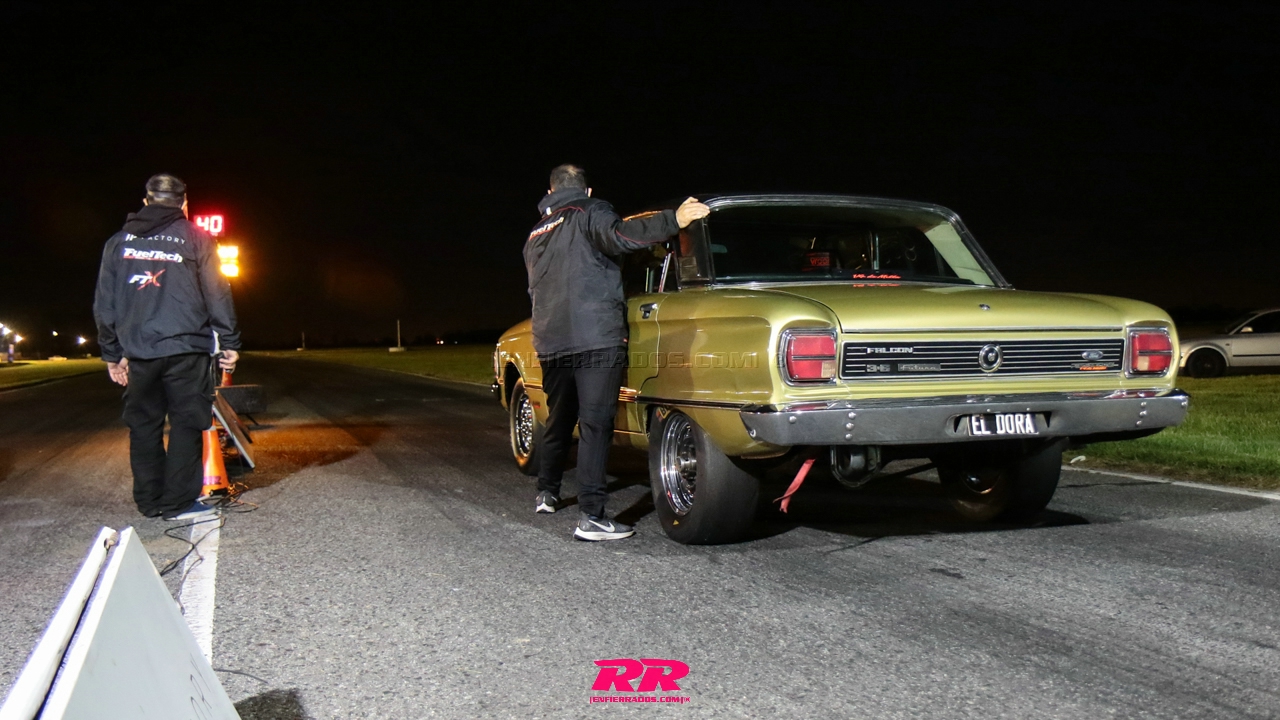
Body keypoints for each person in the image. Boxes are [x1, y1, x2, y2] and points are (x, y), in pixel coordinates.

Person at [524, 164, 709, 541]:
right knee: (595, 424)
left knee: (560, 417)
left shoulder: (536, 233)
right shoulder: (590, 211)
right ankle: (592, 517)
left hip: (551, 340)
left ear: (551, 190)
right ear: (587, 191)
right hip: (595, 336)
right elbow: (619, 235)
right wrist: (674, 220)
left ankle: (547, 493)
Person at [93, 173, 241, 521]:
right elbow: (217, 292)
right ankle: (177, 503)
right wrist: (229, 342)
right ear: (184, 204)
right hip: (186, 349)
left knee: (144, 426)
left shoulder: (118, 242)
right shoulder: (197, 238)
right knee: (187, 424)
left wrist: (112, 354)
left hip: (139, 352)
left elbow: (104, 303)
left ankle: (149, 501)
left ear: (146, 201)